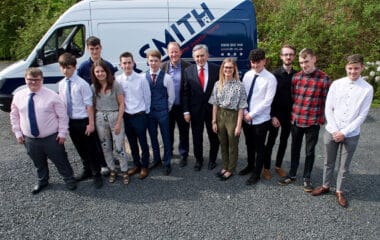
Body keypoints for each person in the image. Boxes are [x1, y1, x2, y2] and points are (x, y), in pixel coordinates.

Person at [311, 54, 373, 208]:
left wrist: (344, 132)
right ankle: (325, 186)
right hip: (332, 130)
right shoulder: (337, 84)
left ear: (362, 68)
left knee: (344, 165)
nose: (353, 71)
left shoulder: (367, 89)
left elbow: (362, 115)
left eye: (356, 68)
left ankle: (339, 190)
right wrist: (335, 129)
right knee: (328, 162)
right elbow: (328, 107)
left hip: (351, 134)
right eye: (350, 68)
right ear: (346, 68)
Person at [10, 68, 77, 194]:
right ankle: (43, 181)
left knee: (61, 160)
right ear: (25, 79)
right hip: (29, 138)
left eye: (37, 80)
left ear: (42, 80)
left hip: (51, 137)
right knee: (38, 162)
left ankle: (69, 179)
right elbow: (14, 115)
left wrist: (62, 133)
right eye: (30, 79)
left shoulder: (52, 96)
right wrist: (18, 132)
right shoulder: (18, 96)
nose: (33, 82)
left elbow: (62, 116)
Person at [278, 48, 330, 192]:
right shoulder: (296, 77)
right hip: (296, 120)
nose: (304, 65)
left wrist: (322, 119)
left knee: (309, 152)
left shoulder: (324, 78)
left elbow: (327, 102)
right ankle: (292, 174)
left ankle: (307, 178)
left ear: (314, 59)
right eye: (301, 62)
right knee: (295, 149)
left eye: (306, 61)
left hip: (313, 122)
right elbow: (294, 98)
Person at [58, 52, 103, 189]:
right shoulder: (61, 84)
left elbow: (89, 106)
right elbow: (63, 104)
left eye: (69, 67)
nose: (66, 70)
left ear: (75, 67)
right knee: (80, 148)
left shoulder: (82, 84)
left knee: (91, 149)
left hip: (83, 121)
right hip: (71, 121)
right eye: (63, 67)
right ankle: (87, 170)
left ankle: (97, 174)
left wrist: (91, 123)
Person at [77, 36, 118, 176]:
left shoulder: (108, 65)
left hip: (108, 107)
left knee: (110, 137)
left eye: (97, 48)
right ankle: (102, 163)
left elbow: (114, 87)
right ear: (88, 50)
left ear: (101, 48)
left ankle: (110, 158)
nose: (94, 51)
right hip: (93, 109)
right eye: (91, 49)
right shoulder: (83, 68)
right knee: (98, 138)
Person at [240, 48, 277, 186]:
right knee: (249, 144)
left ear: (264, 61)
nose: (255, 66)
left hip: (260, 120)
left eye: (258, 63)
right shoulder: (248, 75)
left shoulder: (270, 79)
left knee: (259, 147)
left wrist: (252, 114)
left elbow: (267, 101)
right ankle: (250, 166)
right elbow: (243, 95)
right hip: (246, 118)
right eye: (253, 63)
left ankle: (256, 173)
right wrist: (244, 112)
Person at [91, 60, 129, 184]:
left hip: (115, 115)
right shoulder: (93, 87)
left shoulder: (115, 85)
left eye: (102, 71)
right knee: (105, 146)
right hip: (101, 118)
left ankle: (124, 170)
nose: (100, 73)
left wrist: (118, 122)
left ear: (106, 72)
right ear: (94, 73)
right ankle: (112, 169)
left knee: (119, 146)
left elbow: (122, 104)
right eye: (97, 71)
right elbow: (93, 105)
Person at [183, 44, 220, 171]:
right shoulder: (188, 71)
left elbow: (221, 91)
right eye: (197, 56)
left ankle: (212, 160)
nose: (200, 58)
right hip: (195, 111)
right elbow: (186, 93)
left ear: (207, 55)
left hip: (212, 111)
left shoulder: (216, 69)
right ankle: (199, 160)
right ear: (193, 57)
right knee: (197, 137)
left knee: (214, 136)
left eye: (202, 55)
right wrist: (186, 111)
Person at [209, 58, 247, 181]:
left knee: (232, 144)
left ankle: (231, 168)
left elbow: (242, 106)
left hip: (233, 116)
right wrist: (214, 121)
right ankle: (225, 166)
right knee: (223, 142)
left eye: (230, 67)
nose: (228, 70)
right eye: (226, 67)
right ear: (222, 69)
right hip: (220, 115)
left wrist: (238, 125)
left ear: (234, 69)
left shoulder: (239, 85)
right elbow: (215, 103)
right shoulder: (217, 84)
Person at [263, 44, 297, 180]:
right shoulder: (274, 75)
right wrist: (272, 115)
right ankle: (266, 168)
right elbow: (268, 97)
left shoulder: (297, 75)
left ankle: (278, 165)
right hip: (275, 115)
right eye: (286, 54)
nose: (288, 57)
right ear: (281, 56)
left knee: (284, 141)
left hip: (290, 116)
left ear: (294, 56)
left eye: (291, 54)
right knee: (270, 141)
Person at [116, 51, 151, 180]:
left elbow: (147, 98)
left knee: (143, 142)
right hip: (127, 116)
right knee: (132, 142)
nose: (127, 65)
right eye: (124, 63)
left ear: (133, 63)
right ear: (120, 65)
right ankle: (137, 164)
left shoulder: (142, 79)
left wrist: (145, 114)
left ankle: (145, 166)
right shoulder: (118, 80)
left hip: (140, 116)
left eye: (129, 62)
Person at [144, 49, 175, 175]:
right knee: (152, 136)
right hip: (150, 113)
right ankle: (156, 159)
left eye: (156, 61)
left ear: (160, 61)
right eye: (151, 61)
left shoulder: (167, 77)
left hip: (163, 112)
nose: (153, 63)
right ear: (147, 62)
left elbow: (171, 97)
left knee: (166, 137)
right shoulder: (143, 77)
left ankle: (167, 162)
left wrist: (165, 109)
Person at [161, 42, 191, 167]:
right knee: (168, 132)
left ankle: (184, 155)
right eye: (171, 52)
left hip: (181, 107)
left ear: (180, 52)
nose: (173, 54)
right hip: (167, 108)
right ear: (168, 53)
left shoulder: (188, 67)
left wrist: (187, 110)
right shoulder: (163, 67)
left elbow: (189, 91)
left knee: (184, 133)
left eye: (176, 51)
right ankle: (169, 152)